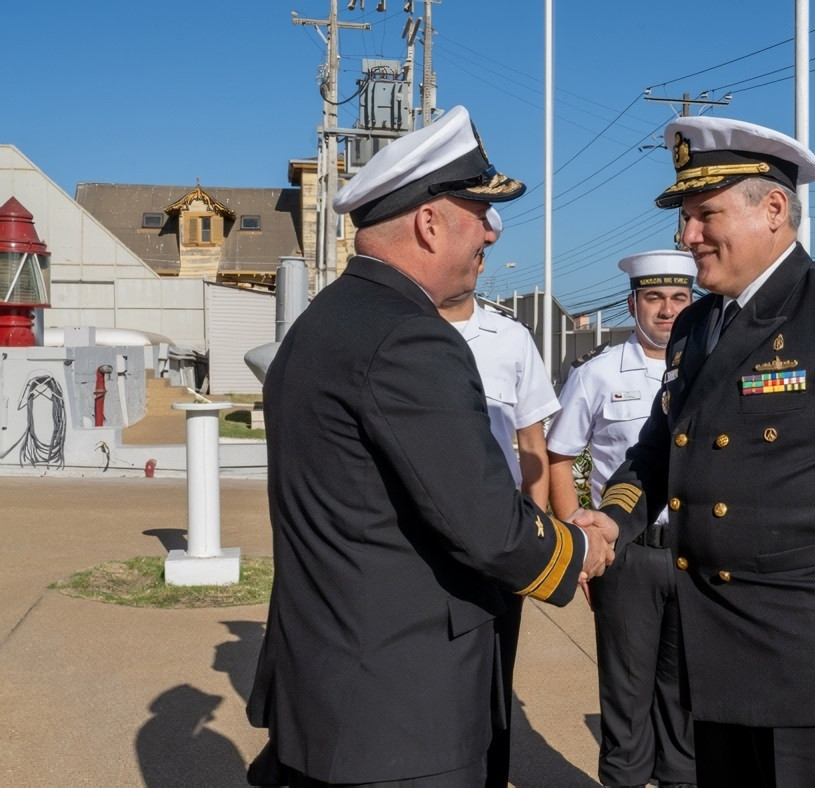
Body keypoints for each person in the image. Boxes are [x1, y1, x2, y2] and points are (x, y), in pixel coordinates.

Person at [246, 105, 612, 787]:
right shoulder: (412, 340)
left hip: (330, 701)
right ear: (429, 222)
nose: (489, 238)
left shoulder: (320, 325)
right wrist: (580, 547)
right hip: (399, 723)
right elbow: (486, 528)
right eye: (478, 214)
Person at [581, 115, 815, 786]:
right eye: (686, 219)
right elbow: (663, 446)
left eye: (705, 215)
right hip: (714, 653)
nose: (688, 236)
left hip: (807, 668)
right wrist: (613, 518)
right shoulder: (697, 324)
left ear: (774, 209)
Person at [547, 250, 697, 788]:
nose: (667, 310)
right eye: (654, 298)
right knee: (627, 694)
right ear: (632, 303)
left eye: (680, 297)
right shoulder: (598, 372)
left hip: (695, 552)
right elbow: (559, 457)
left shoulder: (711, 365)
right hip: (626, 553)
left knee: (686, 695)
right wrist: (580, 547)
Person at [437, 206, 560, 788]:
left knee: (494, 676)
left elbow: (532, 444)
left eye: (483, 254)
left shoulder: (510, 339)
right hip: (426, 539)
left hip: (497, 536)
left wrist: (531, 532)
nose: (476, 262)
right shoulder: (406, 332)